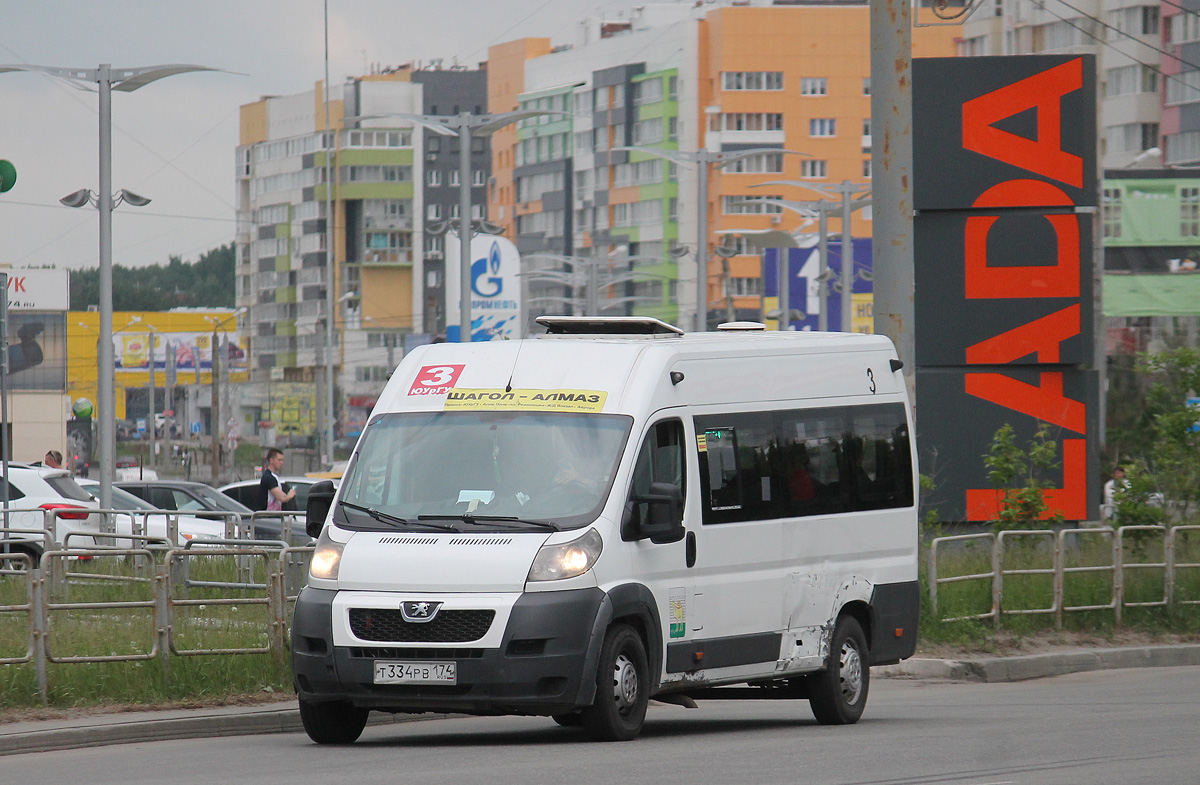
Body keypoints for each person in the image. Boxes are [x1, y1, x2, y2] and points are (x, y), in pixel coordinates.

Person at [260, 448, 296, 512]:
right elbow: (282, 498)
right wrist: (290, 494)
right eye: (279, 460)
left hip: (276, 516)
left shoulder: (274, 477)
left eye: (282, 460)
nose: (281, 462)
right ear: (271, 461)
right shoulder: (269, 477)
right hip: (269, 517)